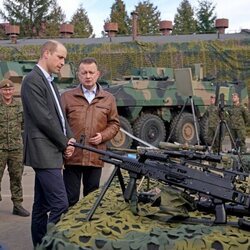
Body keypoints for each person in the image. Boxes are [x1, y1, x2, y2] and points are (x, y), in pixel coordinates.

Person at [21, 40, 75, 247]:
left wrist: (69, 138)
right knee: (60, 204)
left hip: (52, 148)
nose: (63, 62)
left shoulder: (51, 82)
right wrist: (64, 143)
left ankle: (39, 244)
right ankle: (48, 244)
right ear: (46, 53)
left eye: (64, 59)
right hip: (43, 150)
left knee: (41, 206)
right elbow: (44, 118)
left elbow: (60, 116)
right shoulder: (32, 80)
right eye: (60, 57)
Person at [61, 57, 120, 207]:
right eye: (84, 72)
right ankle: (70, 229)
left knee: (91, 199)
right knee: (70, 199)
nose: (88, 76)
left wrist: (103, 136)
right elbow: (59, 124)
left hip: (95, 155)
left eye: (91, 72)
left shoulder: (108, 99)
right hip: (72, 156)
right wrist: (65, 145)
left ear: (97, 74)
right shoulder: (67, 97)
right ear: (78, 75)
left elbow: (114, 124)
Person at [0, 79, 30, 217]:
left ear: (13, 90)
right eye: (5, 89)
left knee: (16, 177)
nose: (7, 92)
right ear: (1, 90)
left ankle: (17, 205)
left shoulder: (19, 106)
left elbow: (24, 125)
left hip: (16, 148)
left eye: (10, 89)